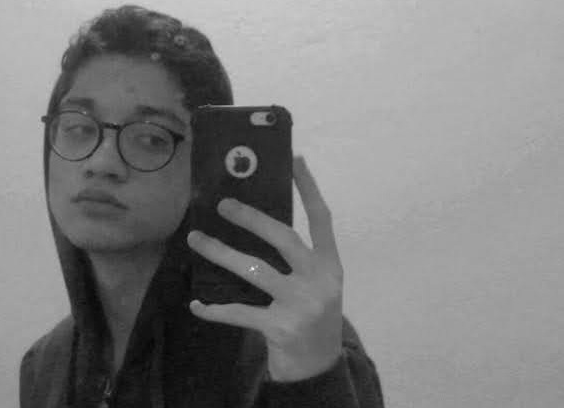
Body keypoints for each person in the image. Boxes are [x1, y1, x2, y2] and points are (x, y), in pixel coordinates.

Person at [20, 5, 384, 408]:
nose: (102, 162)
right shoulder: (47, 366)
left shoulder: (287, 345)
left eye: (152, 138)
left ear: (202, 168)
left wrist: (312, 382)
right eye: (77, 127)